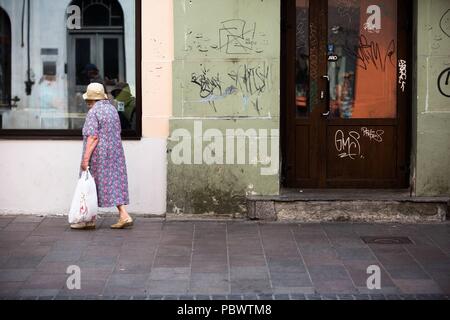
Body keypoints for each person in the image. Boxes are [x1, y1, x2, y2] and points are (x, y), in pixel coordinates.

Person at [70, 82, 133, 230]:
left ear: (90, 99)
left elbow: (93, 137)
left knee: (89, 185)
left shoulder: (94, 112)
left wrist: (85, 159)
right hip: (115, 153)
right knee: (112, 182)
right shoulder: (111, 109)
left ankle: (86, 219)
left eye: (87, 100)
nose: (86, 103)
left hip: (99, 155)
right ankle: (123, 215)